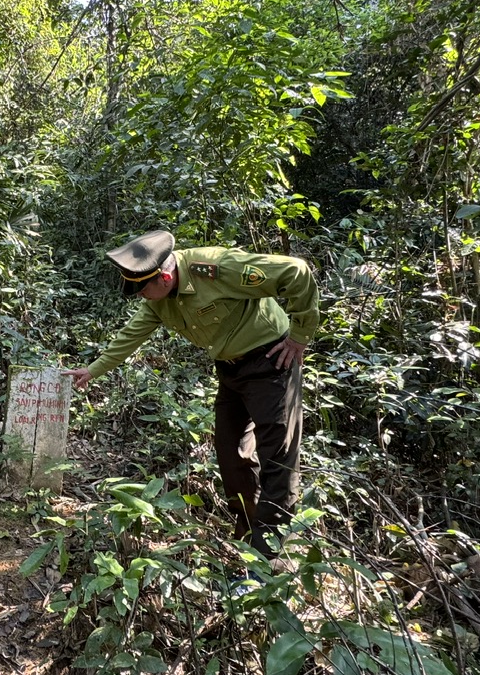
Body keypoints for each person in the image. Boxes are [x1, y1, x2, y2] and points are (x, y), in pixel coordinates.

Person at [64, 230, 320, 558]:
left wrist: (300, 335)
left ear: (166, 276)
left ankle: (265, 563)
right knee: (232, 458)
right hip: (230, 371)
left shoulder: (216, 268)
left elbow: (295, 271)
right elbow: (132, 334)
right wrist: (93, 369)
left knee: (278, 464)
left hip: (271, 363)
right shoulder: (158, 300)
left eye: (143, 289)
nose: (141, 296)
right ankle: (248, 539)